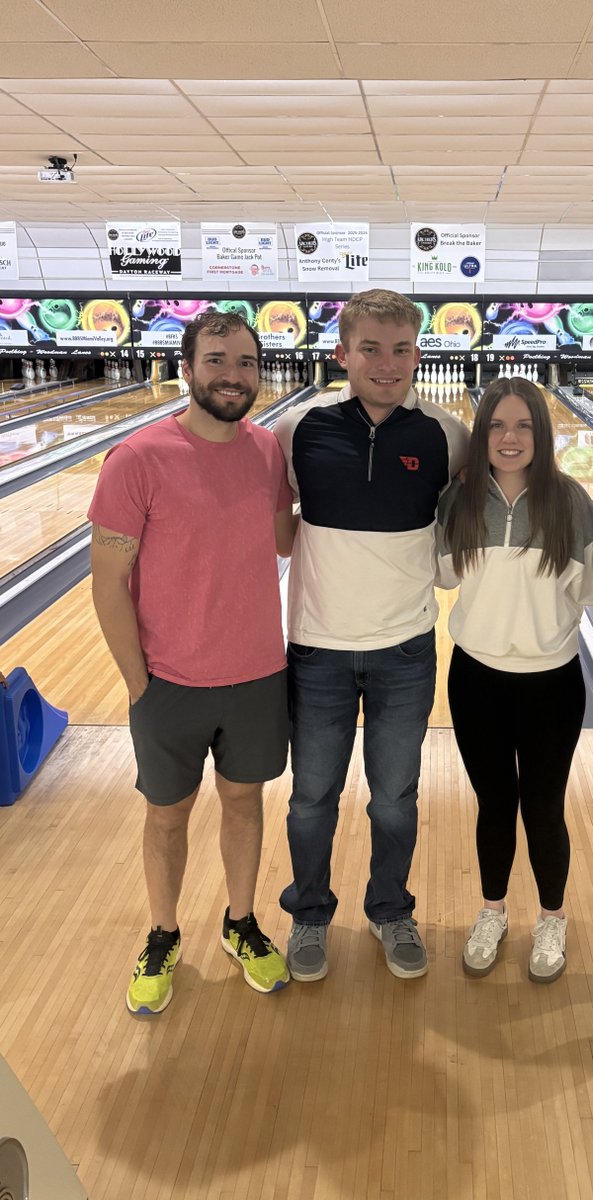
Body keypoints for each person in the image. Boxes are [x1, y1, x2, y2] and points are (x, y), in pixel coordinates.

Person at [89, 310, 295, 1015]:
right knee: (167, 816)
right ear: (187, 367)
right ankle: (163, 933)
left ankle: (240, 923)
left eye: (244, 362)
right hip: (169, 683)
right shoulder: (138, 459)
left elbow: (285, 541)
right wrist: (137, 681)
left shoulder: (269, 451)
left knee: (244, 803)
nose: (231, 376)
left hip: (258, 676)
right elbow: (106, 581)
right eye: (216, 360)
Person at [273, 289, 469, 982]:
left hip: (406, 649)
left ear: (419, 352)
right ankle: (308, 914)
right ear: (342, 353)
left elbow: (466, 528)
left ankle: (391, 909)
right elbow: (272, 522)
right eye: (371, 348)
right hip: (319, 647)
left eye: (401, 349)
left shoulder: (446, 434)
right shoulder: (297, 429)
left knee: (395, 796)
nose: (387, 363)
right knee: (310, 796)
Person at [436, 376, 593, 981]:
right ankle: (492, 911)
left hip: (551, 685)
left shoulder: (569, 503)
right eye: (496, 426)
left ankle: (553, 917)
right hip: (476, 680)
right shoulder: (458, 504)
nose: (509, 438)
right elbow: (439, 575)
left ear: (542, 433)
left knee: (543, 806)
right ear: (481, 434)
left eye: (524, 426)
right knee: (494, 803)